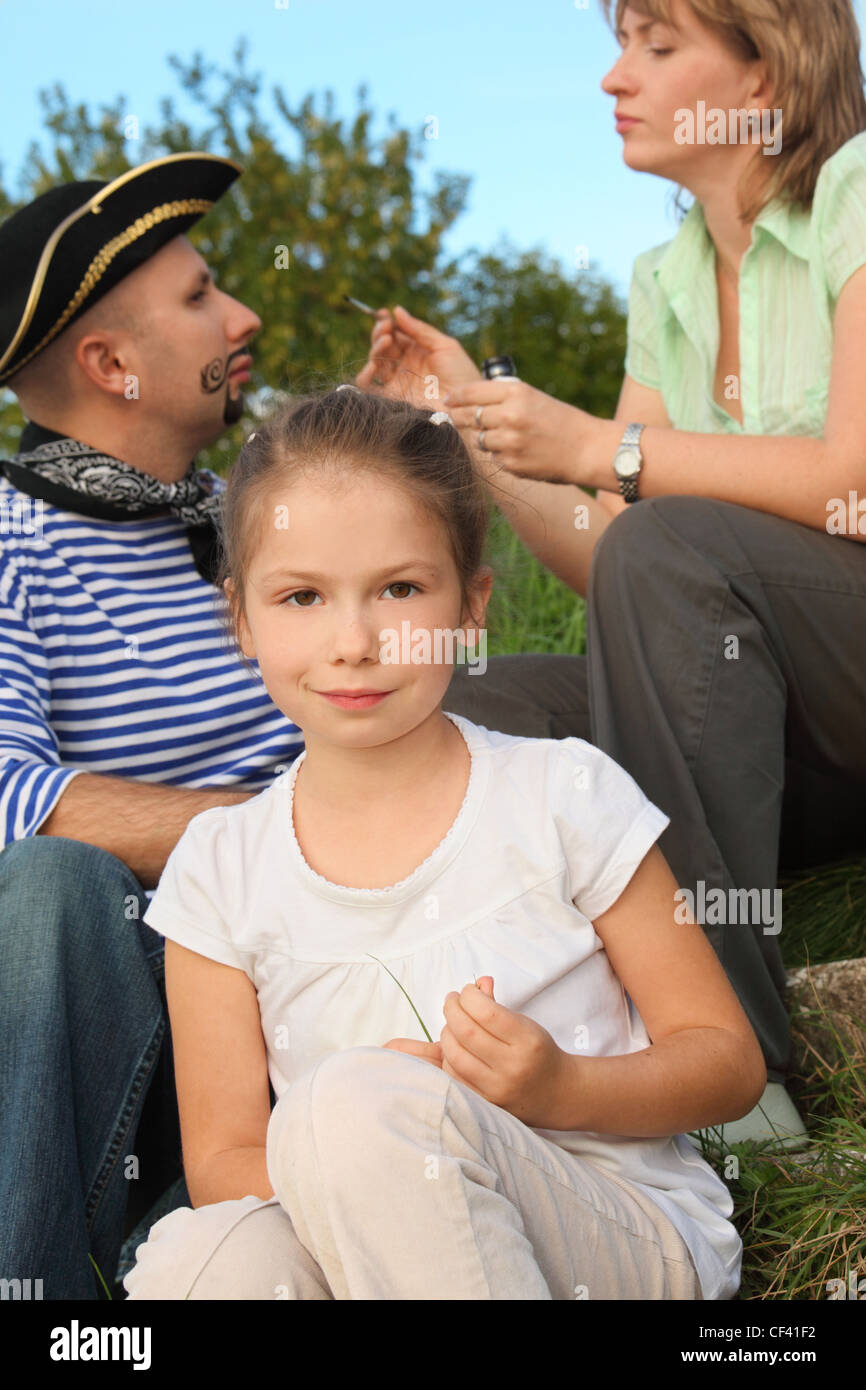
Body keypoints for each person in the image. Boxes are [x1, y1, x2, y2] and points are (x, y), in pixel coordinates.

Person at [0, 155, 586, 1298]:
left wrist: (386, 440)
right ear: (110, 365)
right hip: (152, 990)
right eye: (202, 296)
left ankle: (655, 1074)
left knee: (528, 695)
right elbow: (6, 790)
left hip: (339, 960)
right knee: (47, 884)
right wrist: (277, 839)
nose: (244, 313)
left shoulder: (245, 516)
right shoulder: (11, 541)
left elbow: (406, 643)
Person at [123, 384, 764, 1301]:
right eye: (302, 596)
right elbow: (226, 1156)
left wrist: (559, 1087)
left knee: (356, 1110)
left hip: (611, 1234)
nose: (353, 641)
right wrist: (373, 1162)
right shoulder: (219, 871)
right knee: (203, 1261)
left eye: (399, 589)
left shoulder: (559, 794)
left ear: (472, 606)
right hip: (370, 1238)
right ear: (241, 620)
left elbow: (726, 1062)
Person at [355, 0, 866, 1147]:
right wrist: (472, 433)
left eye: (655, 44)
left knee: (666, 537)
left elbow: (855, 477)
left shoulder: (856, 193)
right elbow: (616, 565)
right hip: (772, 732)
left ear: (760, 74)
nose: (609, 77)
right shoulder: (665, 276)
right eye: (619, 40)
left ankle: (724, 1066)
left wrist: (604, 448)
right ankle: (494, 1048)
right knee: (465, 702)